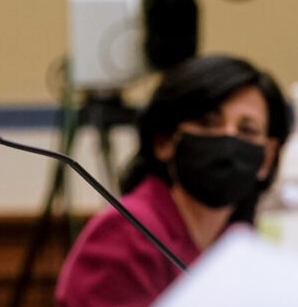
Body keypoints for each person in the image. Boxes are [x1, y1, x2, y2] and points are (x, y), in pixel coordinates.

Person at [54, 54, 291, 307]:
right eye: (208, 123)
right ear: (164, 141)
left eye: (247, 130)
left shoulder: (238, 242)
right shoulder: (126, 231)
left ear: (267, 156)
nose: (228, 140)